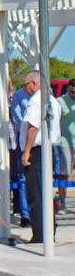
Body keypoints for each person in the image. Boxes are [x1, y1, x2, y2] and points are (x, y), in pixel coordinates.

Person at [20, 72, 61, 243]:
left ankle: (40, 234)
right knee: (45, 192)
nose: (25, 89)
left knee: (35, 194)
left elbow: (33, 127)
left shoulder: (36, 101)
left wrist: (27, 151)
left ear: (34, 83)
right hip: (50, 149)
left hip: (37, 151)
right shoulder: (53, 101)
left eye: (25, 85)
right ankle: (48, 231)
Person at [11, 74, 35, 227]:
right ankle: (25, 215)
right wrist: (27, 127)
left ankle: (39, 213)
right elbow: (16, 116)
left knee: (40, 179)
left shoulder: (43, 96)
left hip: (40, 142)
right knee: (22, 179)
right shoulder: (18, 96)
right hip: (24, 139)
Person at [56, 78, 75, 212]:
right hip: (64, 143)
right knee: (64, 173)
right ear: (68, 88)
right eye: (72, 92)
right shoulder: (59, 102)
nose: (74, 94)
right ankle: (62, 203)